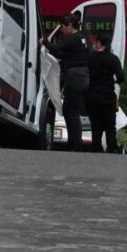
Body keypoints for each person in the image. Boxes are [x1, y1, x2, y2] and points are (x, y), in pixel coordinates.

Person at [41, 13, 90, 151]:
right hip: (82, 77)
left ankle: (75, 144)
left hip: (75, 77)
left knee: (71, 111)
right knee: (70, 110)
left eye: (62, 26)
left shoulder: (73, 39)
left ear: (69, 25)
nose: (61, 30)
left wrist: (44, 41)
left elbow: (57, 49)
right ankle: (75, 142)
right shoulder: (82, 39)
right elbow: (63, 54)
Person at [86, 32, 124, 153]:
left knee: (95, 124)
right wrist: (115, 81)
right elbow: (121, 76)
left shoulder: (90, 57)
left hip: (92, 95)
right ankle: (112, 147)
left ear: (98, 43)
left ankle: (96, 146)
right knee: (109, 124)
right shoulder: (113, 59)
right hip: (107, 95)